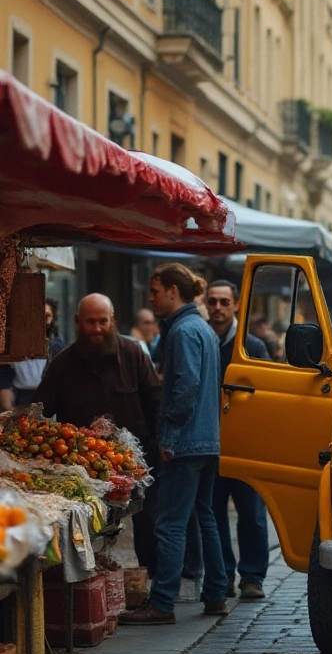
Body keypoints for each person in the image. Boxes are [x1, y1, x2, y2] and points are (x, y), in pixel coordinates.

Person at [120, 263, 229, 624]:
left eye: (154, 292)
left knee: (170, 523)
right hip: (207, 440)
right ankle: (215, 593)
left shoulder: (182, 331)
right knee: (206, 517)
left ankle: (162, 602)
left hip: (186, 442)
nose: (150, 299)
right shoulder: (202, 329)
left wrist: (169, 436)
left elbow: (185, 387)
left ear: (172, 291)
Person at [31, 295, 167, 577]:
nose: (96, 328)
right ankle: (88, 583)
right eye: (90, 322)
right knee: (86, 532)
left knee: (150, 526)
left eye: (102, 321)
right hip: (83, 473)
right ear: (78, 322)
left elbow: (157, 403)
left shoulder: (133, 355)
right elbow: (40, 414)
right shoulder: (62, 365)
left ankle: (152, 585)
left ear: (112, 321)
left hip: (137, 465)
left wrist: (159, 448)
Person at [204, 280, 271, 600]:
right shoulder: (200, 339)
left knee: (252, 515)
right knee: (213, 514)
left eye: (224, 302)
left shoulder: (252, 346)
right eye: (212, 302)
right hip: (210, 444)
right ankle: (222, 575)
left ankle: (253, 577)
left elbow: (266, 397)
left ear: (236, 306)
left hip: (245, 446)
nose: (218, 308)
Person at [0, 299, 64, 410]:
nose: (41, 323)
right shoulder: (13, 347)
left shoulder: (58, 348)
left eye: (46, 317)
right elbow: (3, 382)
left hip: (49, 402)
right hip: (19, 400)